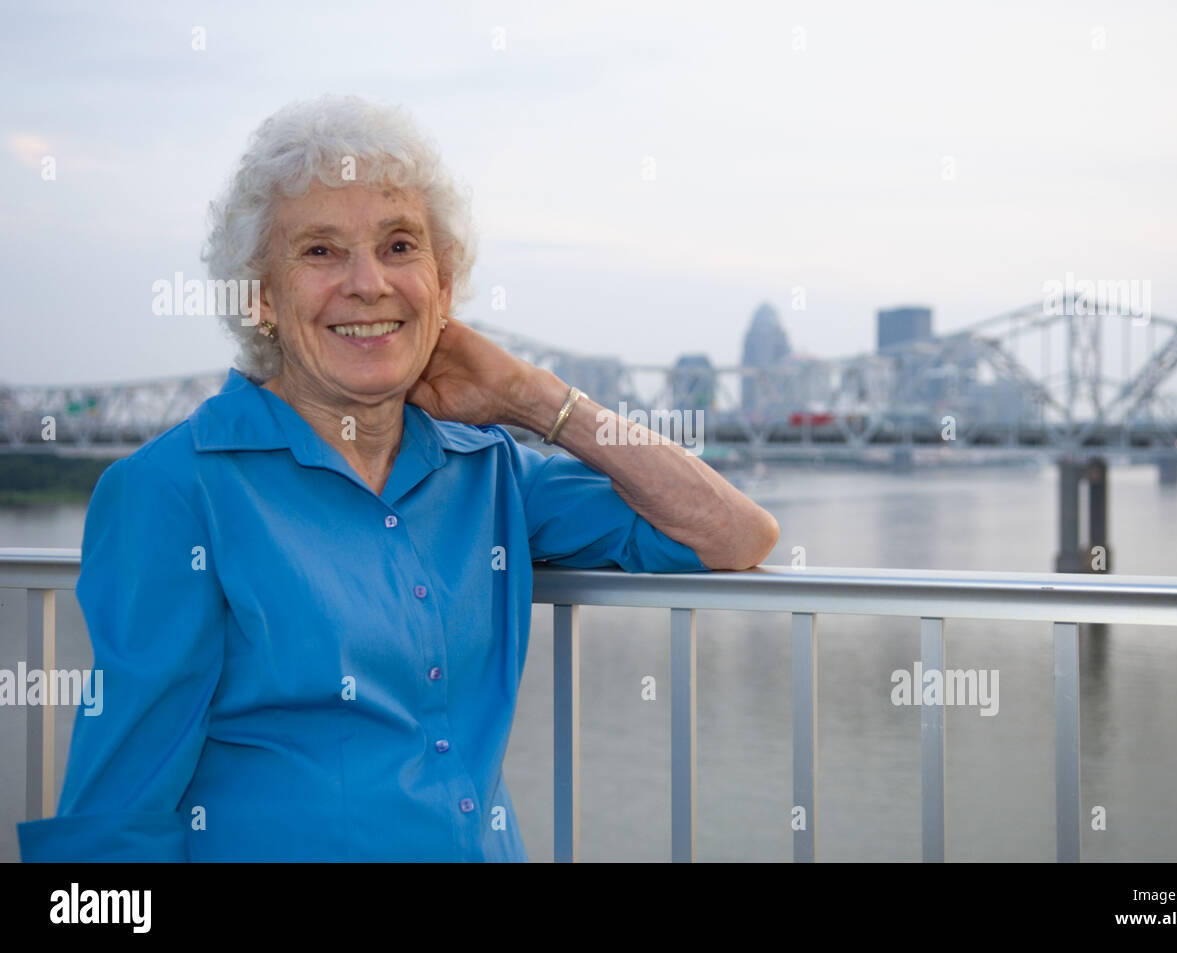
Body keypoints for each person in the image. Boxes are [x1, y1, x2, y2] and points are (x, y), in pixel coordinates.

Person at [16, 94, 779, 862]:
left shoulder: (491, 473)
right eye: (319, 251)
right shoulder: (177, 492)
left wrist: (530, 395)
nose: (368, 283)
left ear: (444, 290)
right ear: (262, 300)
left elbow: (735, 533)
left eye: (400, 246)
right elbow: (111, 828)